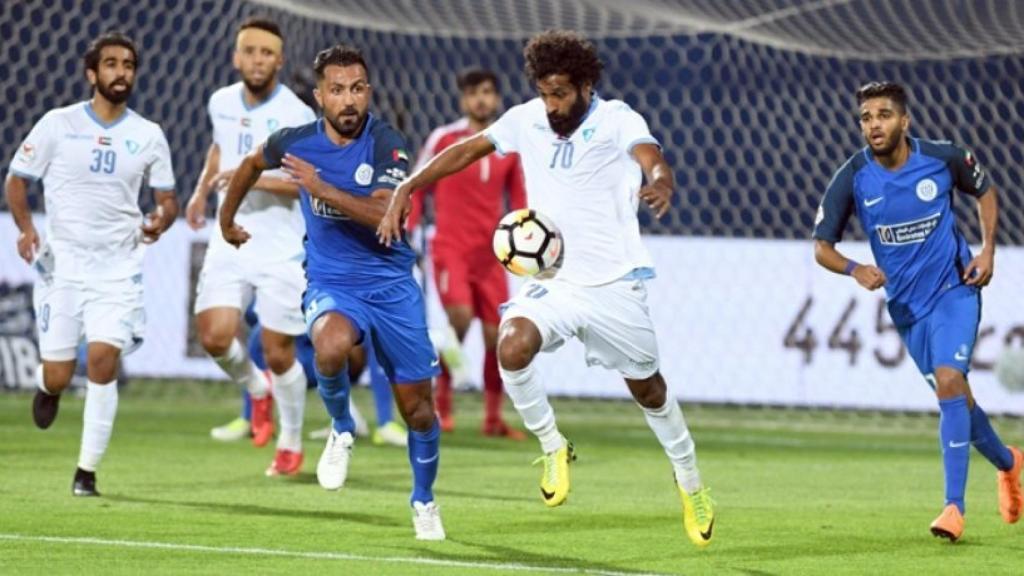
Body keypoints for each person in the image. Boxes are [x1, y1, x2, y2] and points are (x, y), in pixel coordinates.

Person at [378, 30, 714, 547]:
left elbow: (648, 154)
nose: (551, 104)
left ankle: (689, 481)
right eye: (544, 92)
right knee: (511, 346)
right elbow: (466, 150)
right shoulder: (525, 118)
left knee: (648, 389)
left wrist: (662, 178)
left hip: (614, 284)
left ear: (585, 85)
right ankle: (553, 445)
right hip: (553, 281)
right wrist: (410, 185)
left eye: (560, 93)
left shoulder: (617, 119)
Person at [219, 44, 445, 540]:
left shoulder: (388, 143)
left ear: (369, 92)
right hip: (332, 283)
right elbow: (252, 164)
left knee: (419, 411)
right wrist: (225, 217)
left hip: (391, 287)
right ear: (319, 96)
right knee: (330, 344)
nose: (349, 100)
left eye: (357, 89)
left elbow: (388, 216)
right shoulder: (295, 141)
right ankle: (342, 427)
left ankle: (424, 500)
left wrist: (323, 190)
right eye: (337, 90)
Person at [812, 81, 1022, 542]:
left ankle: (954, 508)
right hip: (907, 310)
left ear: (904, 121)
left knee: (950, 381)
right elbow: (821, 248)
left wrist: (987, 253)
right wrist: (854, 269)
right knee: (959, 400)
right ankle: (1009, 463)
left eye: (883, 115)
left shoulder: (943, 158)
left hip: (954, 290)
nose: (874, 125)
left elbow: (985, 193)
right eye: (866, 118)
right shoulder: (853, 177)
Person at [5, 32, 178, 496]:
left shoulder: (148, 135)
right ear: (91, 73)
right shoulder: (58, 124)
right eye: (111, 64)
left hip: (118, 266)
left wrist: (162, 218)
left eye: (128, 65)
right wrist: (25, 228)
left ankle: (86, 471)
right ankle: (48, 386)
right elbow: (17, 180)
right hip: (64, 267)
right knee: (59, 372)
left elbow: (167, 198)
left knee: (103, 360)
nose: (121, 72)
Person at [184, 18, 316, 476]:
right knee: (215, 337)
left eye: (266, 53)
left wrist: (249, 177)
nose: (257, 60)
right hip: (229, 234)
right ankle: (256, 392)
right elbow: (220, 151)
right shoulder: (220, 101)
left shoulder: (297, 114)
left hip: (279, 244)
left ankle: (292, 440)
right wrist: (202, 191)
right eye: (249, 51)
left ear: (279, 61)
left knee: (280, 353)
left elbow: (307, 185)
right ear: (236, 57)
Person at [406, 69, 526, 438]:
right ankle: (441, 407)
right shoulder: (445, 138)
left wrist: (527, 239)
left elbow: (520, 199)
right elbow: (416, 186)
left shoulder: (509, 145)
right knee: (458, 319)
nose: (480, 100)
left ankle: (493, 419)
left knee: (497, 337)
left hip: (491, 254)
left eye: (487, 92)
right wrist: (408, 235)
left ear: (496, 99)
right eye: (473, 93)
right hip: (451, 249)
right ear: (463, 100)